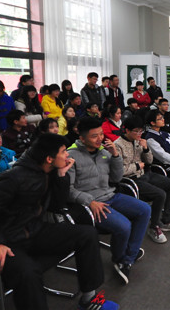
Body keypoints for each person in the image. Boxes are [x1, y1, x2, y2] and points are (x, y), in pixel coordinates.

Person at [0, 133, 119, 310]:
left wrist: (62, 176)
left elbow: (57, 206)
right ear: (49, 158)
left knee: (87, 234)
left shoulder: (49, 172)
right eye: (63, 152)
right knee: (28, 272)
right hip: (8, 239)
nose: (67, 155)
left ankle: (89, 299)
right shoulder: (12, 178)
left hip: (34, 230)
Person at [68, 117, 151, 285]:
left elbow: (116, 178)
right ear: (82, 138)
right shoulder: (71, 156)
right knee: (124, 226)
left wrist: (115, 156)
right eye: (94, 136)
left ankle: (128, 256)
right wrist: (89, 201)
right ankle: (121, 259)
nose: (99, 138)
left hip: (111, 195)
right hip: (91, 203)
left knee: (144, 210)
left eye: (101, 134)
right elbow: (68, 189)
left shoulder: (104, 152)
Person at [115, 116, 170, 244]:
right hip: (131, 180)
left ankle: (166, 220)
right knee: (160, 194)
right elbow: (119, 171)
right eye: (136, 131)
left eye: (141, 131)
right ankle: (154, 227)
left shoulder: (139, 141)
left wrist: (146, 148)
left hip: (145, 174)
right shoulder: (117, 145)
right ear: (127, 130)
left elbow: (149, 161)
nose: (139, 134)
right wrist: (137, 166)